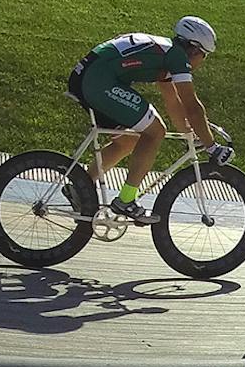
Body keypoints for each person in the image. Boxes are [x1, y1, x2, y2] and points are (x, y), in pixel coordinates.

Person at [66, 18, 225, 223]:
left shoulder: (165, 51)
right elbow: (192, 106)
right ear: (194, 50)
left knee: (130, 140)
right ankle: (126, 200)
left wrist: (189, 133)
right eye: (205, 56)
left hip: (89, 77)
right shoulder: (177, 57)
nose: (202, 61)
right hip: (98, 81)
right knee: (155, 131)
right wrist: (213, 147)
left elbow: (173, 101)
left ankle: (81, 188)